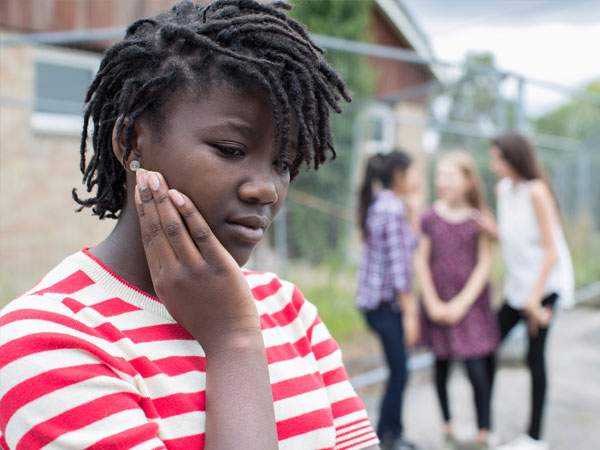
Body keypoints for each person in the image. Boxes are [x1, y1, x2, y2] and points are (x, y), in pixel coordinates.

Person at [0, 2, 381, 449]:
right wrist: (232, 341)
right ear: (129, 142)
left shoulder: (289, 310)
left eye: (282, 163)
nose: (268, 189)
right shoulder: (46, 344)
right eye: (230, 149)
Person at [479, 133, 574, 450]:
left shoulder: (537, 192)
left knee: (535, 357)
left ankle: (535, 438)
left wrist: (535, 300)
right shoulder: (504, 190)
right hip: (518, 287)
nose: (493, 166)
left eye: (498, 159)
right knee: (487, 346)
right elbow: (511, 236)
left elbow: (551, 251)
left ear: (514, 159)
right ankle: (485, 426)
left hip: (545, 286)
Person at [415, 152, 499, 450]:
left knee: (478, 368)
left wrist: (461, 304)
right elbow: (422, 262)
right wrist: (434, 302)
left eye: (450, 176)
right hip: (437, 304)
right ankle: (448, 426)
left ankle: (484, 432)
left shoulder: (479, 221)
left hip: (471, 307)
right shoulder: (429, 217)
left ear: (467, 181)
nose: (443, 181)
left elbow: (484, 264)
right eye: (440, 175)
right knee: (441, 366)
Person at [356, 150, 421, 450]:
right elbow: (399, 269)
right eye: (413, 172)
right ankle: (387, 437)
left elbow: (408, 247)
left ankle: (393, 432)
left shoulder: (384, 205)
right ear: (399, 175)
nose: (417, 178)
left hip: (375, 304)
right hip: (385, 306)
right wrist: (410, 314)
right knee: (400, 371)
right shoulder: (391, 209)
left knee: (399, 370)